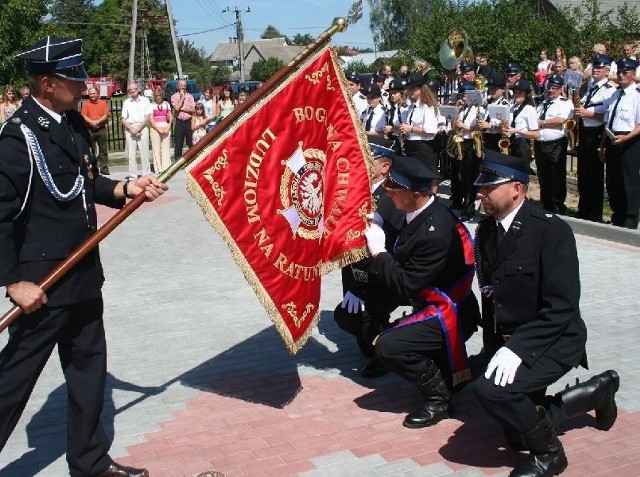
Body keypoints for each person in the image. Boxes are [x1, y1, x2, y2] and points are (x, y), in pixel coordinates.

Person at [0, 35, 168, 477]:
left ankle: (90, 463)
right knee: (12, 382)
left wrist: (126, 188)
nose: (84, 87)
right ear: (47, 83)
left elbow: (85, 183)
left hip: (82, 272)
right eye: (74, 80)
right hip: (43, 283)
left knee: (89, 373)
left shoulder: (72, 126)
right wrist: (14, 282)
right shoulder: (17, 138)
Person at [472, 150, 619, 477]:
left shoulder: (550, 232)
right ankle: (596, 392)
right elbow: (492, 297)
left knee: (493, 392)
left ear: (516, 189)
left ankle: (550, 454)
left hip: (555, 339)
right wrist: (492, 348)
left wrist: (517, 349)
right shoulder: (487, 230)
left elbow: (562, 306)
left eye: (488, 186)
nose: (480, 192)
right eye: (480, 186)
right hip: (514, 340)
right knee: (515, 432)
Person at [363, 154, 480, 429]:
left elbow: (406, 285)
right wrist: (380, 225)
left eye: (393, 188)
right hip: (430, 303)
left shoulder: (434, 231)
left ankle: (438, 398)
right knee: (368, 312)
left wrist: (379, 252)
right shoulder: (417, 211)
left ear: (415, 193)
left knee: (388, 346)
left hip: (448, 312)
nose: (387, 191)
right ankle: (437, 369)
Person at [333, 142, 404, 378]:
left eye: (367, 158)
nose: (360, 162)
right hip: (352, 263)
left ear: (385, 167)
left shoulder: (390, 195)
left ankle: (390, 348)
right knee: (354, 321)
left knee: (360, 317)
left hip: (375, 271)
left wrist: (360, 285)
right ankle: (378, 342)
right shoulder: (357, 187)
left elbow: (388, 242)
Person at [593, 57, 640, 229]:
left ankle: (630, 218)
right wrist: (603, 144)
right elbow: (608, 120)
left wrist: (626, 138)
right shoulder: (615, 94)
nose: (621, 75)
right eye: (619, 72)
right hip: (612, 138)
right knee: (613, 181)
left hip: (630, 141)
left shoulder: (637, 95)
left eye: (625, 72)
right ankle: (617, 215)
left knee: (629, 181)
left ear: (633, 74)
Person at [572, 54, 615, 222]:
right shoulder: (590, 87)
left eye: (600, 68)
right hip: (584, 131)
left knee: (594, 174)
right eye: (594, 67)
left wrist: (587, 113)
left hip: (596, 133)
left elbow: (607, 115)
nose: (595, 70)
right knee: (584, 173)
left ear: (607, 71)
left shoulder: (608, 90)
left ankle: (595, 212)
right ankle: (584, 208)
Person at [534, 74, 573, 214]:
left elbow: (561, 120)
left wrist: (542, 123)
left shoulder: (565, 103)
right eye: (549, 87)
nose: (550, 91)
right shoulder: (542, 103)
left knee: (556, 175)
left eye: (554, 88)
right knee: (543, 175)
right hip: (540, 143)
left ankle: (558, 205)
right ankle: (546, 203)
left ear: (560, 89)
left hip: (556, 144)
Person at [453, 81, 482, 221]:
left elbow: (479, 128)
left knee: (471, 177)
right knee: (462, 177)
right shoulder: (463, 109)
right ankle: (465, 203)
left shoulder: (478, 109)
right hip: (462, 143)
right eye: (461, 96)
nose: (462, 99)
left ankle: (469, 209)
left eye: (464, 96)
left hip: (472, 144)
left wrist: (464, 126)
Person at [502, 79, 539, 162]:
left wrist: (516, 131)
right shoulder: (511, 107)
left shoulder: (529, 109)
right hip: (511, 142)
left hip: (522, 144)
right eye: (515, 92)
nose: (517, 95)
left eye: (520, 92)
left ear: (526, 94)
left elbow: (535, 134)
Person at [121, 81, 152, 179]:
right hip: (130, 128)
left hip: (142, 127)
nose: (132, 91)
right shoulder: (126, 102)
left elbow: (147, 116)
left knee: (145, 153)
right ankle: (133, 175)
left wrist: (139, 128)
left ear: (138, 89)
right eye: (130, 90)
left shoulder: (145, 100)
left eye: (134, 89)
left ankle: (146, 174)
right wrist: (131, 129)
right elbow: (123, 119)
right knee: (132, 154)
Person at [81, 87, 111, 175]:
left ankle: (104, 168)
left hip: (101, 129)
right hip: (90, 130)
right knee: (91, 151)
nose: (92, 95)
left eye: (94, 93)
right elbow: (83, 115)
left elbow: (106, 115)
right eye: (90, 94)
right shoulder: (86, 104)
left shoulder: (103, 103)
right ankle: (93, 169)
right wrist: (91, 122)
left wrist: (97, 121)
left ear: (97, 94)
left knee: (103, 150)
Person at [477, 72, 510, 152]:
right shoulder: (487, 103)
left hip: (497, 139)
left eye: (495, 88)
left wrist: (489, 126)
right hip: (486, 138)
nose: (492, 91)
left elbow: (505, 128)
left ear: (503, 89)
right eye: (490, 88)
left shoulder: (504, 105)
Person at [149, 86, 173, 174]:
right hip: (155, 129)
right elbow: (151, 120)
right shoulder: (151, 105)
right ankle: (158, 168)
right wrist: (158, 129)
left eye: (160, 96)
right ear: (154, 97)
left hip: (166, 128)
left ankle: (166, 167)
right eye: (157, 96)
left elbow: (170, 116)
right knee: (156, 149)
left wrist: (169, 126)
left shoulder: (166, 104)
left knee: (166, 149)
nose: (158, 98)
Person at [171, 78, 196, 160]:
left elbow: (194, 109)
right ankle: (178, 162)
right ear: (178, 86)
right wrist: (181, 97)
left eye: (184, 86)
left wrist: (183, 109)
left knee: (190, 142)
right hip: (179, 122)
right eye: (181, 86)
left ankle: (192, 160)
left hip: (189, 121)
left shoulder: (190, 96)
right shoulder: (174, 97)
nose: (183, 87)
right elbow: (177, 108)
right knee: (178, 143)